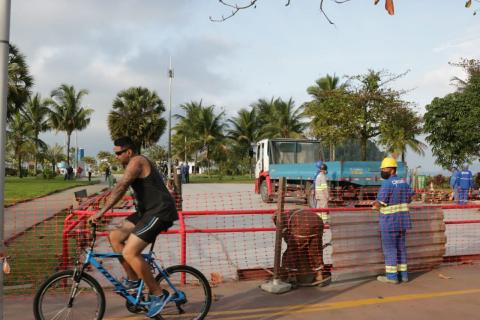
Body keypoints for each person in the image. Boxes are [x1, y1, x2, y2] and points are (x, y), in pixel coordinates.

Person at [88, 137, 178, 317]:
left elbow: (121, 186)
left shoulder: (137, 161)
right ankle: (134, 278)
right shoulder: (132, 163)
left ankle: (158, 294)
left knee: (130, 251)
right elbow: (118, 188)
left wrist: (102, 211)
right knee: (114, 236)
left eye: (119, 153)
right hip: (146, 212)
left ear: (129, 152)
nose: (116, 157)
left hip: (160, 211)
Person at [372, 157, 413, 284]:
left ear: (391, 169)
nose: (382, 171)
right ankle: (404, 275)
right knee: (401, 248)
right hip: (403, 222)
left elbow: (380, 203)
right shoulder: (403, 182)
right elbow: (410, 197)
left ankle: (392, 277)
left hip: (389, 223)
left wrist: (374, 206)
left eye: (384, 169)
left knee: (390, 249)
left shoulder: (387, 183)